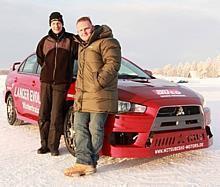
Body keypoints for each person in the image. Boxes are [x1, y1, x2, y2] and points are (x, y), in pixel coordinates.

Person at [64, 17, 121, 176]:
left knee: (95, 129)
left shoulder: (107, 41)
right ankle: (82, 162)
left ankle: (90, 163)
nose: (84, 32)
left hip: (99, 95)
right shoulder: (82, 46)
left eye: (86, 28)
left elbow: (113, 63)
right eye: (80, 30)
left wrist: (98, 82)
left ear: (93, 27)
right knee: (79, 128)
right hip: (83, 96)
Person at [36, 12, 78, 156]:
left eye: (58, 22)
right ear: (50, 24)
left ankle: (53, 147)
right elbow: (40, 59)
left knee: (55, 115)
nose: (56, 25)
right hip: (46, 82)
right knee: (43, 114)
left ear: (62, 23)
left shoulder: (70, 40)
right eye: (54, 23)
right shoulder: (44, 41)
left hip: (61, 84)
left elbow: (80, 56)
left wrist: (65, 74)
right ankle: (44, 145)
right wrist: (48, 72)